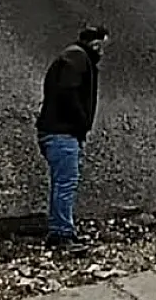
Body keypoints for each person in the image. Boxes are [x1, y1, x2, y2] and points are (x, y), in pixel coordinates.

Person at [35, 26, 109, 248]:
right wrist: (81, 121)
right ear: (95, 44)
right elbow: (67, 92)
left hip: (60, 132)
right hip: (62, 133)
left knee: (64, 182)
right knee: (65, 183)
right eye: (102, 46)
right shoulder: (76, 58)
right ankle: (61, 234)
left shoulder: (74, 58)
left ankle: (63, 231)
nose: (103, 52)